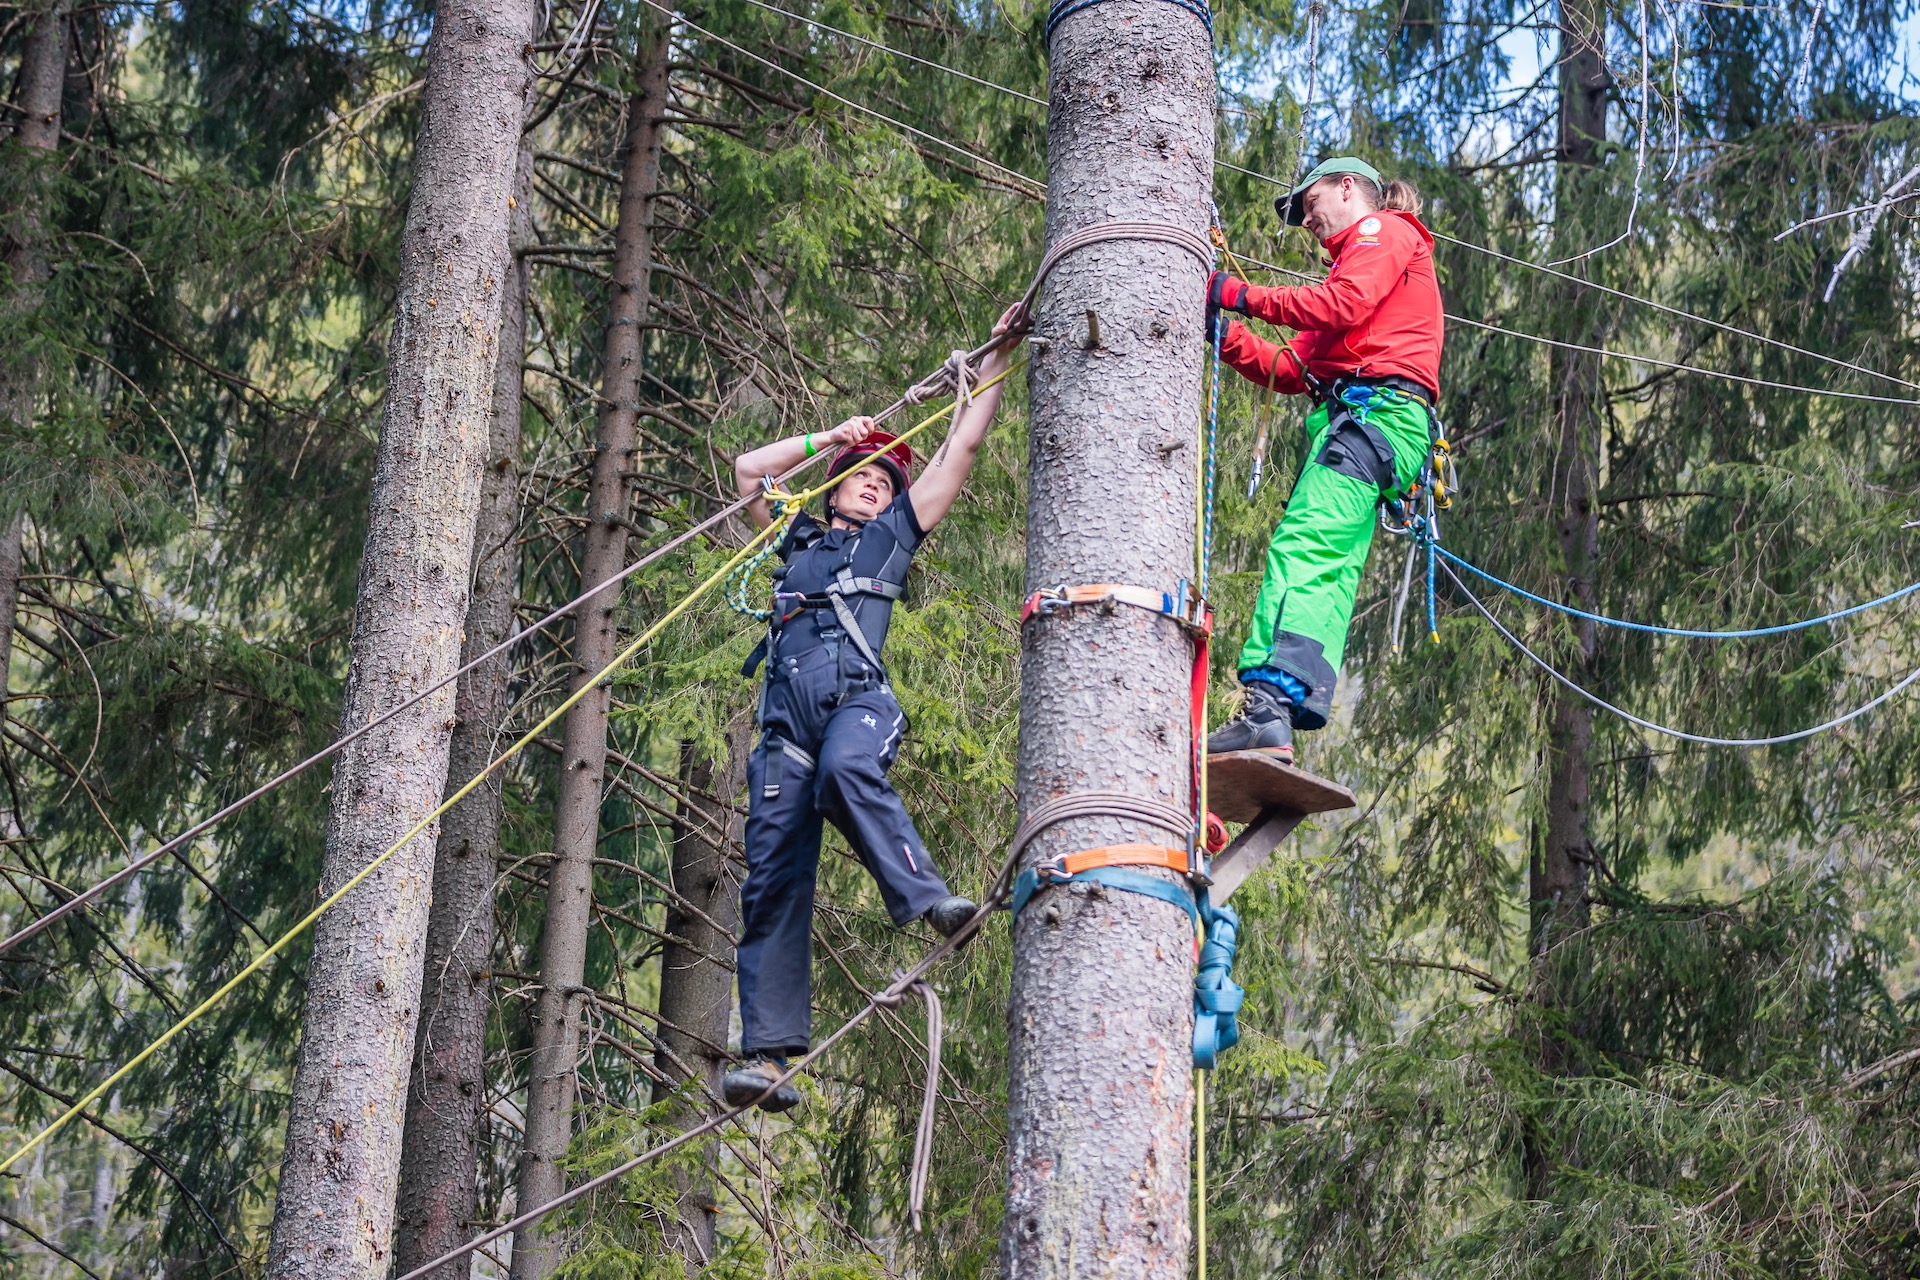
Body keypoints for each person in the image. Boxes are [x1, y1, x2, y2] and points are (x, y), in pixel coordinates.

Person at [722, 306, 1026, 1112]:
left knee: (847, 771)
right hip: (782, 731)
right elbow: (748, 470)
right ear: (835, 488)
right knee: (771, 877)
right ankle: (772, 1058)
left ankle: (929, 901)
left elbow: (959, 449)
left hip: (858, 704)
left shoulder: (894, 535)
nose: (874, 482)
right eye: (863, 474)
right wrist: (828, 438)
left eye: (884, 478)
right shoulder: (795, 541)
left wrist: (996, 359)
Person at [1204, 157, 1445, 763]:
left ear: (1347, 188)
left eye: (1310, 203)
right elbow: (1293, 368)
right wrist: (1222, 331)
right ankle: (1287, 703)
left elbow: (1343, 302)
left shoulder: (1383, 233)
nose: (1306, 218)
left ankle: (1266, 708)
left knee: (1304, 545)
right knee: (1327, 565)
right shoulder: (1351, 273)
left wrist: (1239, 293)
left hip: (1376, 419)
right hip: (1375, 426)